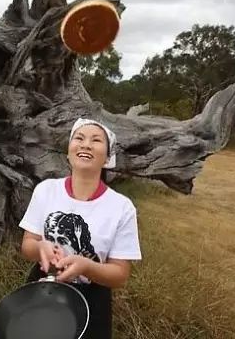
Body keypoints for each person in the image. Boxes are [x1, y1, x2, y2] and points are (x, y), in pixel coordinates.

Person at [18, 118, 142, 339]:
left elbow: (119, 275)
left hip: (92, 299)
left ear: (108, 157)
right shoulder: (46, 190)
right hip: (43, 290)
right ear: (69, 151)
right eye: (79, 138)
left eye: (96, 140)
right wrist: (40, 248)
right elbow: (27, 245)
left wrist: (87, 267)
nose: (86, 144)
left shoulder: (121, 208)